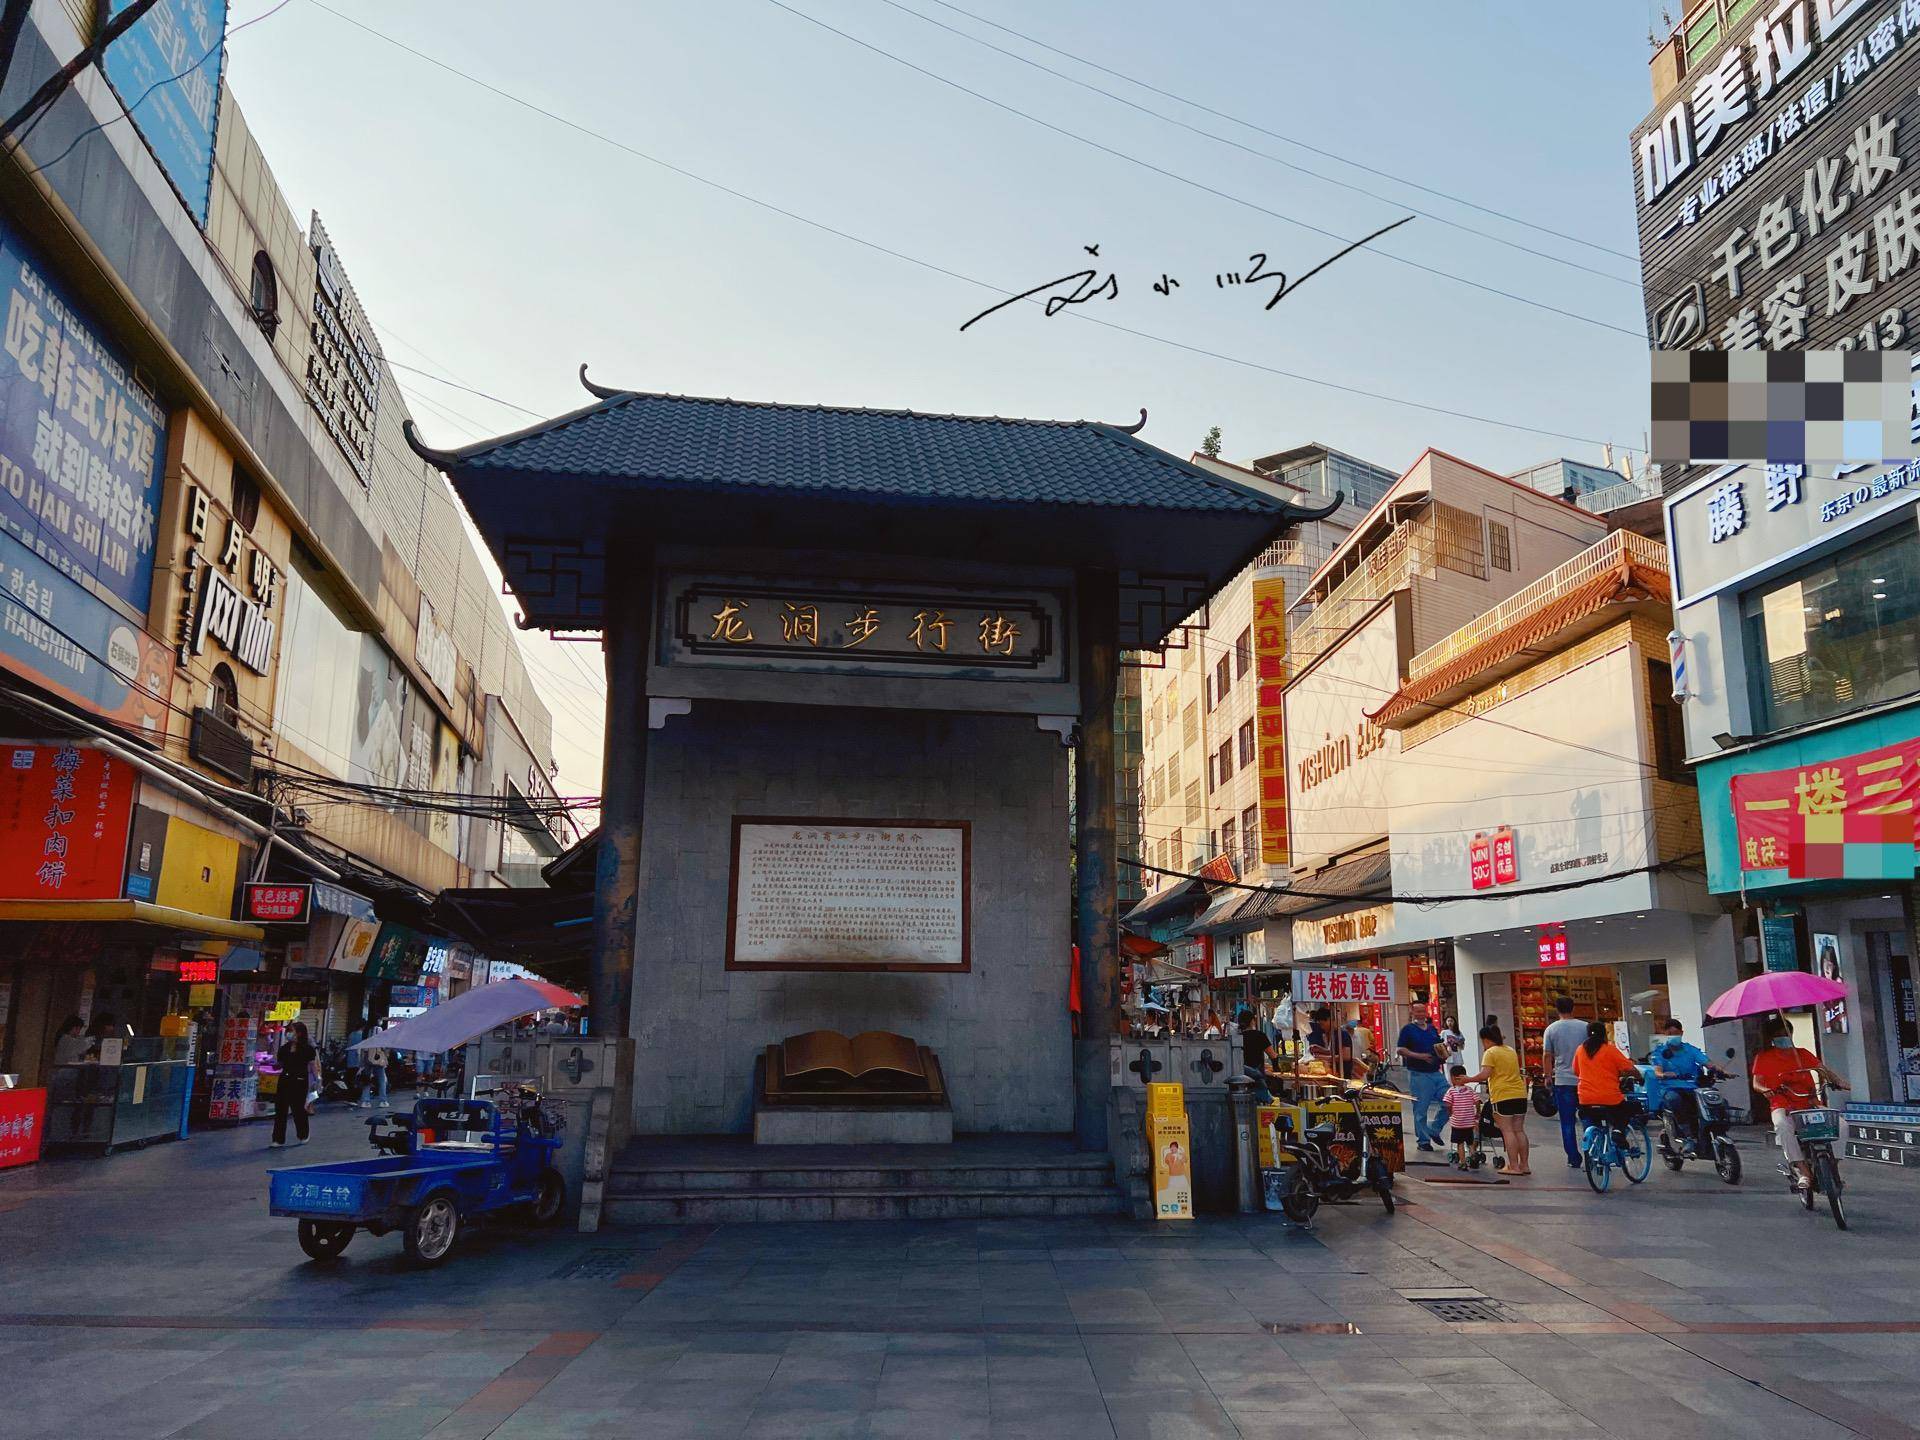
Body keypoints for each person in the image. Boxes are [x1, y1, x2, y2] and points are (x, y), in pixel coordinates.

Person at [1750, 1016, 1850, 1188]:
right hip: (1782, 1104)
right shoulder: (1764, 1057)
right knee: (1782, 1126)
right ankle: (1803, 1170)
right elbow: (1757, 1082)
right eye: (1780, 1034)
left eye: (1787, 1032)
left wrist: (1838, 1081)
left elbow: (1823, 1070)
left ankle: (1833, 1166)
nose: (1785, 1036)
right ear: (1773, 1038)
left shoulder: (1802, 1053)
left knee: (1841, 1125)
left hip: (1810, 1103)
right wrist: (1765, 1089)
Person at [1462, 1024, 1531, 1176]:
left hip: (1503, 1095)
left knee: (1507, 1131)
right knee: (1519, 1130)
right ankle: (1524, 1165)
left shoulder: (1490, 1052)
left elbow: (1485, 1075)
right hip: (1520, 1094)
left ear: (1486, 1040)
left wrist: (1468, 1079)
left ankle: (1513, 1166)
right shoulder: (1510, 1050)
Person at [1571, 1021, 1638, 1157]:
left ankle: (1595, 1154)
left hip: (1585, 1099)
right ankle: (1618, 1132)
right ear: (1604, 1035)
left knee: (1592, 1120)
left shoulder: (1580, 1050)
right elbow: (1630, 1068)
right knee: (1629, 1109)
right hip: (1609, 1099)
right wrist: (1640, 1076)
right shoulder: (1610, 1050)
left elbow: (1576, 1071)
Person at [1651, 1017, 1712, 1154]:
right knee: (1675, 1100)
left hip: (1692, 1087)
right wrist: (1665, 1074)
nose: (1674, 1036)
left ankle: (1708, 1131)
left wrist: (1722, 1071)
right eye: (1670, 1033)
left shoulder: (1690, 1050)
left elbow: (1708, 1063)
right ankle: (1687, 1137)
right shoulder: (1660, 1052)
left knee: (1711, 1099)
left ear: (1682, 1032)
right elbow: (1658, 1072)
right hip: (1670, 1088)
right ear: (1665, 1034)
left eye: (1676, 1033)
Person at [1540, 997, 1587, 1169]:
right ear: (1573, 1008)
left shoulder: (1551, 1029)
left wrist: (1547, 1076)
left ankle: (1573, 1158)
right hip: (1584, 1079)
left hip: (1563, 1080)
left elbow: (1547, 1055)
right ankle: (1592, 1152)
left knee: (1567, 1121)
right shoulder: (1585, 1027)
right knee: (1588, 1117)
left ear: (1556, 1009)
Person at [1397, 1011, 1450, 1152]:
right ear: (1412, 1012)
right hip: (1418, 1074)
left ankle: (1434, 1129)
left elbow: (1438, 1045)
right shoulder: (1408, 1030)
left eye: (1422, 1010)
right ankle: (1423, 1140)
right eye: (1417, 1011)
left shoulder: (1432, 1028)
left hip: (1436, 1072)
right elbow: (1400, 1049)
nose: (1420, 1014)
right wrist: (1419, 1056)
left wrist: (1444, 1051)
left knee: (1450, 1101)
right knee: (1421, 1109)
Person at [270, 1021, 319, 1148]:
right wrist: (272, 1065)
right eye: (288, 1031)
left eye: (292, 1031)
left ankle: (303, 1134)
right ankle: (278, 1139)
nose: (289, 1034)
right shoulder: (284, 1048)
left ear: (300, 1033)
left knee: (298, 1109)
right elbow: (279, 1064)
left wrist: (317, 1079)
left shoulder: (308, 1049)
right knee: (280, 1109)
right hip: (285, 1080)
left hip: (300, 1081)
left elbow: (312, 1065)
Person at [1444, 1064, 1481, 1169]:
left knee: (1460, 1143)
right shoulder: (1470, 1090)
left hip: (1458, 1123)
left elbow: (1447, 1104)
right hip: (1469, 1122)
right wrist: (1477, 1112)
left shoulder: (1451, 1091)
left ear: (1452, 1078)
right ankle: (1473, 1156)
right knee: (1470, 1142)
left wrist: (1450, 1112)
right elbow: (1477, 1101)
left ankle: (1463, 1162)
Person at [1238, 1008, 1275, 1102]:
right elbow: (1273, 1055)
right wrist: (1276, 1069)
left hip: (1241, 1078)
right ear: (1252, 1021)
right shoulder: (1260, 1035)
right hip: (1257, 1077)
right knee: (1261, 1103)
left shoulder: (1237, 1038)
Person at [361, 1031, 391, 1105]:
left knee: (367, 1080)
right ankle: (383, 1101)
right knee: (382, 1080)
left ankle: (365, 1101)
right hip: (378, 1061)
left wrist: (362, 1062)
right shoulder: (379, 1030)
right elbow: (385, 1048)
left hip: (368, 1060)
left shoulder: (367, 1031)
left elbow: (364, 1050)